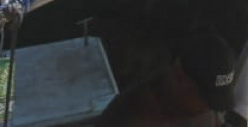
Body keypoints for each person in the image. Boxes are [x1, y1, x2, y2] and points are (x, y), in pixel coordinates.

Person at [94, 28, 238, 126]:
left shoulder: (204, 112)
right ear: (180, 78)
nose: (210, 108)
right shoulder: (128, 117)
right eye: (205, 98)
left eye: (215, 101)